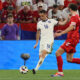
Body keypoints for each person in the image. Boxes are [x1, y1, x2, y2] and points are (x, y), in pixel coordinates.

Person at [51, 3, 80, 77]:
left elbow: (71, 27)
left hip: (72, 39)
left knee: (57, 53)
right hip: (73, 38)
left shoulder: (74, 16)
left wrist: (61, 33)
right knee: (69, 59)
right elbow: (65, 24)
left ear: (70, 9)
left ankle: (60, 73)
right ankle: (60, 73)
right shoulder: (75, 16)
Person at [32, 10, 58, 74]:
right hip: (42, 41)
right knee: (40, 57)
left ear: (46, 14)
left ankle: (35, 69)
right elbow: (38, 33)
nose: (41, 17)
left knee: (43, 53)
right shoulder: (39, 23)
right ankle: (37, 69)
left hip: (49, 40)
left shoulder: (52, 21)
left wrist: (67, 20)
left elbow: (62, 23)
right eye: (40, 16)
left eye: (42, 16)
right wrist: (36, 43)